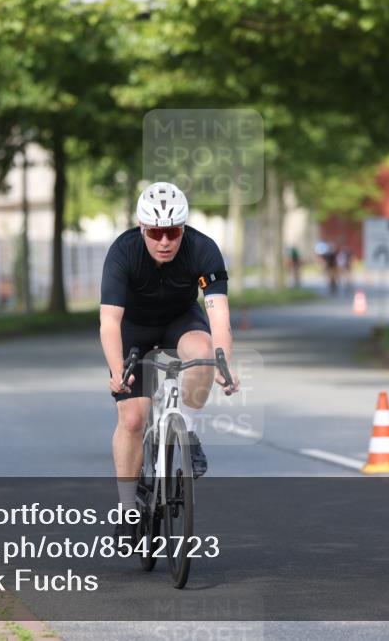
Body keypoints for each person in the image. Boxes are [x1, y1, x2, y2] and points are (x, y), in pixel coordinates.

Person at [100, 182, 239, 538]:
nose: (165, 241)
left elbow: (219, 315)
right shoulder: (123, 252)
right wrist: (118, 372)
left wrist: (224, 362)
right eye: (157, 233)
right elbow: (110, 322)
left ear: (184, 229)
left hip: (180, 321)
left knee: (204, 353)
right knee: (132, 419)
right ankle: (128, 508)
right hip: (135, 330)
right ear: (143, 229)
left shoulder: (204, 249)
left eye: (173, 232)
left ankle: (188, 433)